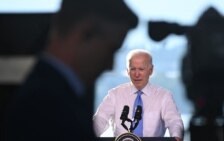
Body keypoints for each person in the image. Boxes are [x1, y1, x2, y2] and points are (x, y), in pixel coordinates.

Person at [3, 0, 138, 141]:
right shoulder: (51, 109)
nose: (109, 65)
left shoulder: (42, 100)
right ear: (85, 33)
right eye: (110, 50)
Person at [93, 49, 184, 141]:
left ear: (151, 70)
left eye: (141, 69)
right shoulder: (114, 95)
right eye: (133, 69)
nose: (137, 74)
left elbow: (174, 122)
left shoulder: (164, 96)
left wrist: (177, 137)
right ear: (127, 71)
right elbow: (100, 119)